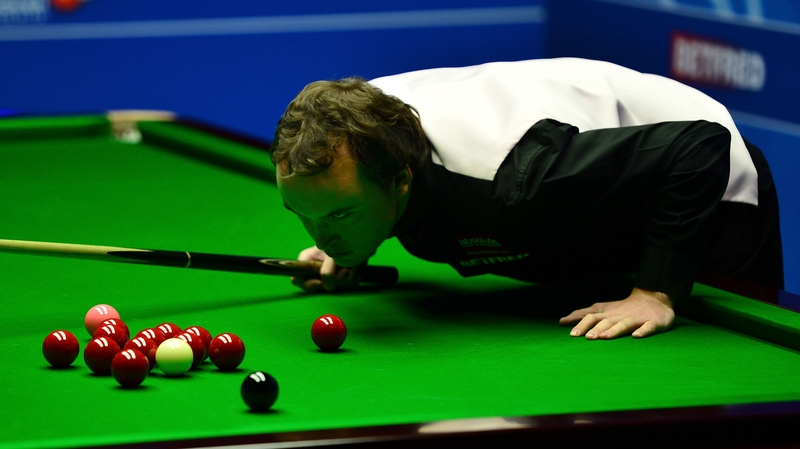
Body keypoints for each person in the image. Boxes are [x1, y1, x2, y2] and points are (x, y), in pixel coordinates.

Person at [269, 58, 783, 340]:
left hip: (709, 186)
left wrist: (656, 292)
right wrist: (348, 237)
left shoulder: (511, 176)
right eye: (306, 215)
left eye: (339, 213)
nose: (320, 236)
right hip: (590, 198)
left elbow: (698, 146)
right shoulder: (357, 130)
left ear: (400, 180)